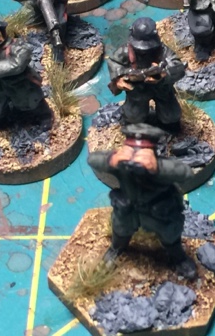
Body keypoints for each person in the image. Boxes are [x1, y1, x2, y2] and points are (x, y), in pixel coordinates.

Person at [87, 124, 197, 279]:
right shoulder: (122, 165)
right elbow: (92, 159)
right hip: (129, 209)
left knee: (170, 236)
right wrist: (112, 159)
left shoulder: (160, 166)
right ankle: (116, 249)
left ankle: (178, 258)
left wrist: (157, 167)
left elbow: (186, 173)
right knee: (120, 229)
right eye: (132, 152)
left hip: (157, 212)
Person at [0, 10, 53, 132]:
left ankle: (45, 117)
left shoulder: (18, 46)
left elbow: (17, 64)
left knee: (33, 102)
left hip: (20, 83)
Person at [108, 18, 186, 132]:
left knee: (171, 115)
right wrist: (119, 79)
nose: (143, 51)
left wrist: (163, 74)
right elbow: (114, 63)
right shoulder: (126, 50)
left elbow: (177, 66)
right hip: (137, 89)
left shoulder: (162, 50)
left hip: (161, 88)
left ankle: (169, 130)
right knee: (133, 116)